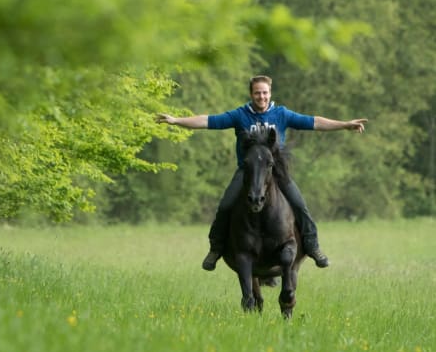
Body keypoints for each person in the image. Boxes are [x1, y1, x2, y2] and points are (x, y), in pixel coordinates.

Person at [156, 75, 367, 271]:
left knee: (300, 205)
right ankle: (216, 249)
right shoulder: (240, 115)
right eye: (257, 92)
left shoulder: (281, 114)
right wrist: (176, 120)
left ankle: (312, 247)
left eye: (265, 92)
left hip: (276, 173)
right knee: (226, 205)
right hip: (247, 173)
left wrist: (345, 125)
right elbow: (207, 121)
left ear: (270, 93)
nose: (261, 96)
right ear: (251, 94)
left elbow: (314, 122)